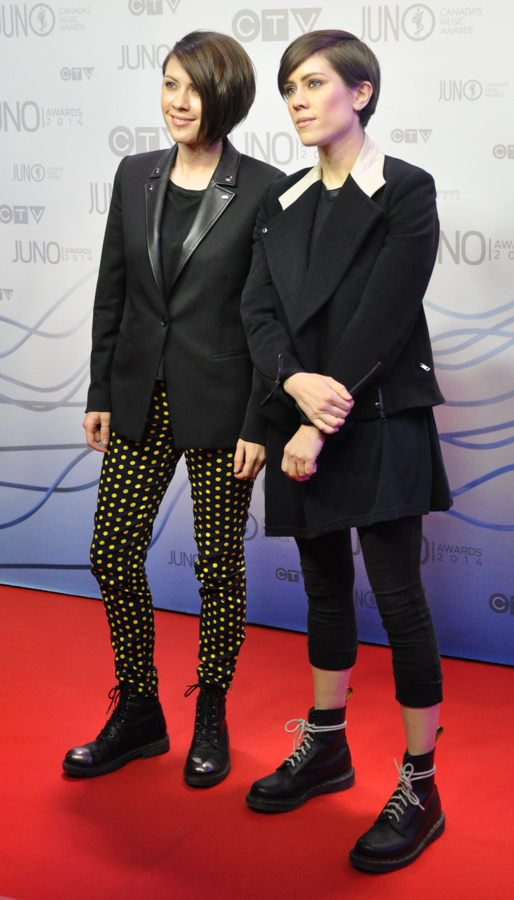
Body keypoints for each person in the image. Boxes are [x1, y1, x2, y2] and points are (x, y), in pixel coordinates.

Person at [241, 30, 452, 872]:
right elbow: (258, 314)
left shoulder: (407, 190)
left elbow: (383, 317)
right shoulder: (282, 200)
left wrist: (315, 417)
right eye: (288, 86)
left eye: (315, 83)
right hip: (301, 415)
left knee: (399, 597)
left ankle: (422, 785)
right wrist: (290, 392)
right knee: (325, 589)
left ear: (360, 93)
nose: (296, 98)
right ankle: (326, 746)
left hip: (376, 419)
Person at [63, 31, 282, 786]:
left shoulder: (266, 188)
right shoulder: (135, 175)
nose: (176, 101)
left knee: (220, 565)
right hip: (136, 395)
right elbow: (113, 289)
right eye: (168, 84)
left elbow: (271, 316)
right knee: (112, 552)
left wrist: (262, 419)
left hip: (225, 407)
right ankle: (140, 708)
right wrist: (99, 389)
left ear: (224, 96)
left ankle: (211, 710)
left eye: (192, 87)